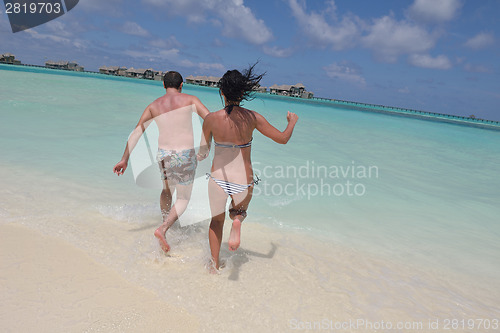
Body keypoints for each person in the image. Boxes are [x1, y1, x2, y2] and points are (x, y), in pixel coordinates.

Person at [198, 64, 298, 270]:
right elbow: (282, 139)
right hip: (243, 180)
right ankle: (237, 220)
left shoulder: (211, 119)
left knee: (216, 222)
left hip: (218, 179)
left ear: (222, 92)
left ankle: (214, 265)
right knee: (238, 211)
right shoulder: (253, 118)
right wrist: (292, 122)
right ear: (243, 92)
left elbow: (203, 152)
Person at [113, 71, 210, 253]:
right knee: (183, 198)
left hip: (163, 155)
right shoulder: (190, 100)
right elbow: (211, 120)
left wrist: (124, 159)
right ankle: (164, 228)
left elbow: (137, 132)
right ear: (182, 85)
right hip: (184, 155)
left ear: (163, 86)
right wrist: (206, 145)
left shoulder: (154, 105)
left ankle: (166, 222)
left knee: (166, 190)